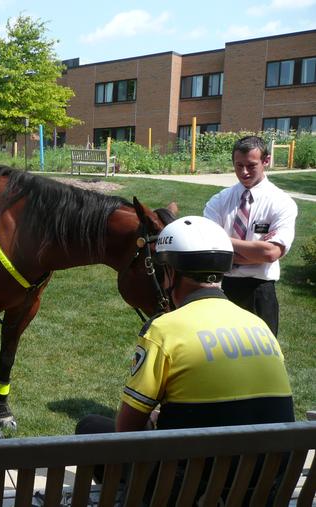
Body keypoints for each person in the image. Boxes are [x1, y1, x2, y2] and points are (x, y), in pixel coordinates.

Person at [76, 216, 294, 503]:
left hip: (188, 490)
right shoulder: (259, 326)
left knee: (90, 427)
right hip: (264, 487)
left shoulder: (164, 329)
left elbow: (125, 433)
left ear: (169, 274)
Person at [204, 135, 298, 337]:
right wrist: (255, 251)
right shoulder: (219, 200)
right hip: (221, 289)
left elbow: (271, 253)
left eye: (251, 165)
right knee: (218, 357)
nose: (244, 172)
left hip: (259, 292)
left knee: (262, 359)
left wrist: (223, 242)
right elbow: (208, 247)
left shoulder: (281, 202)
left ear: (266, 161)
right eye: (239, 165)